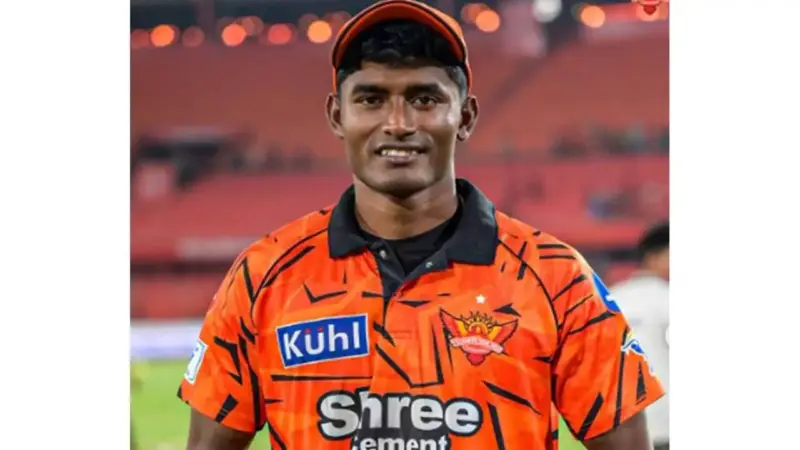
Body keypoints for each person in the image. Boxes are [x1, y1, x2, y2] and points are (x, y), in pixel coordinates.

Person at [177, 1, 665, 449]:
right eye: (371, 99)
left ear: (466, 116)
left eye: (425, 99)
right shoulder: (264, 275)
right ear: (336, 115)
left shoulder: (556, 278)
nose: (398, 122)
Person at [610, 221, 669, 450]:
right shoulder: (668, 299)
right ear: (656, 256)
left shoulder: (610, 298)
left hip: (621, 425)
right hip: (666, 421)